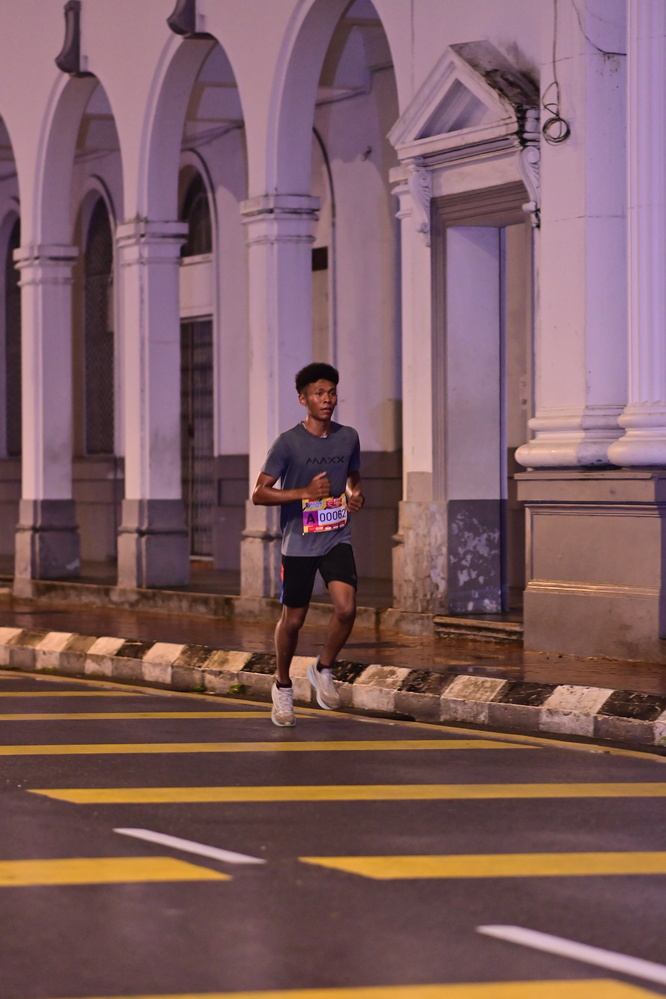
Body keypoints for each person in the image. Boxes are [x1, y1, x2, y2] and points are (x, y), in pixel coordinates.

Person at [251, 362, 365, 727]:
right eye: (319, 393)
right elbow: (259, 493)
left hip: (335, 535)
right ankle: (283, 685)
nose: (327, 399)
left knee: (346, 609)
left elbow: (352, 473)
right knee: (294, 620)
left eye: (331, 392)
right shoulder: (287, 443)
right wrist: (303, 493)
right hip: (299, 542)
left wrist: (354, 493)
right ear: (303, 400)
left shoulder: (349, 437)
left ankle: (323, 667)